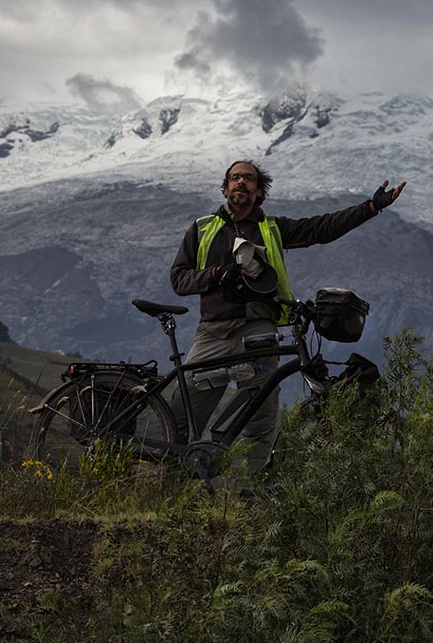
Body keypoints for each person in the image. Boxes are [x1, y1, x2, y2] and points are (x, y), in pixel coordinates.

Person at [169, 159, 405, 472]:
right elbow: (179, 279)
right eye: (235, 178)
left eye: (249, 179)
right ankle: (168, 486)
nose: (241, 183)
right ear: (225, 187)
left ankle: (247, 494)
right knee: (182, 416)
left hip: (259, 331)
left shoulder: (273, 229)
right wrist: (215, 274)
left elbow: (322, 228)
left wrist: (372, 207)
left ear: (259, 192)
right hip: (213, 331)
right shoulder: (201, 229)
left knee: (261, 418)